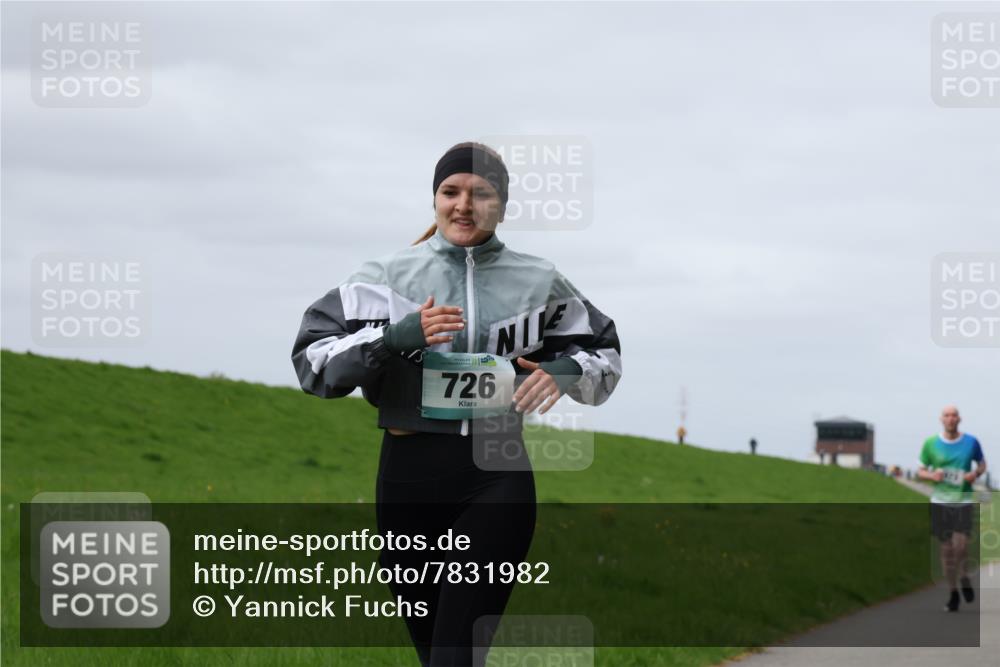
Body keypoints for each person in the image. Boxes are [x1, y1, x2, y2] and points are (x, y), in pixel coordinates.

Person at [291, 142, 622, 666]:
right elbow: (312, 361)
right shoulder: (384, 277)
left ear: (502, 206)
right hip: (407, 479)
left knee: (455, 655)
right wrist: (391, 339)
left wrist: (564, 372)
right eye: (451, 192)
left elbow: (604, 353)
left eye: (481, 193)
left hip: (496, 474)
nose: (464, 205)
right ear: (435, 200)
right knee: (436, 654)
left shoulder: (539, 280)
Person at [916, 405, 987, 612]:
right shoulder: (931, 443)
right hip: (940, 502)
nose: (950, 418)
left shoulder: (971, 442)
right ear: (941, 419)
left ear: (959, 419)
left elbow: (982, 464)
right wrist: (932, 475)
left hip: (963, 500)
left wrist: (975, 474)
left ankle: (964, 576)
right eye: (947, 415)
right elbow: (921, 470)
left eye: (954, 415)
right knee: (946, 551)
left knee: (961, 546)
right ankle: (953, 592)